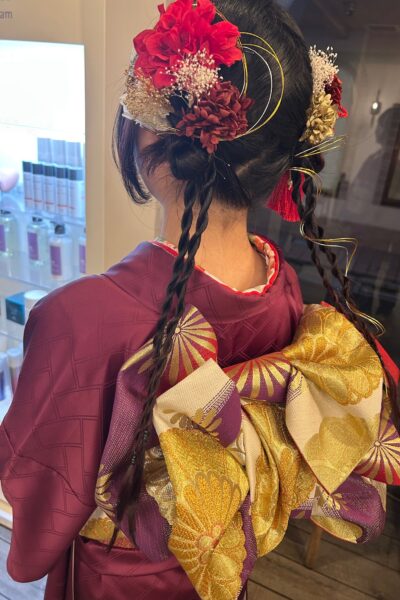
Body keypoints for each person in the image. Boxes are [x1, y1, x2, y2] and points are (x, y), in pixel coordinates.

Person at [1, 1, 399, 599]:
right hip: (226, 562)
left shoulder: (78, 318)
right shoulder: (283, 285)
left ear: (149, 132)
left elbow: (39, 492)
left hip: (120, 580)